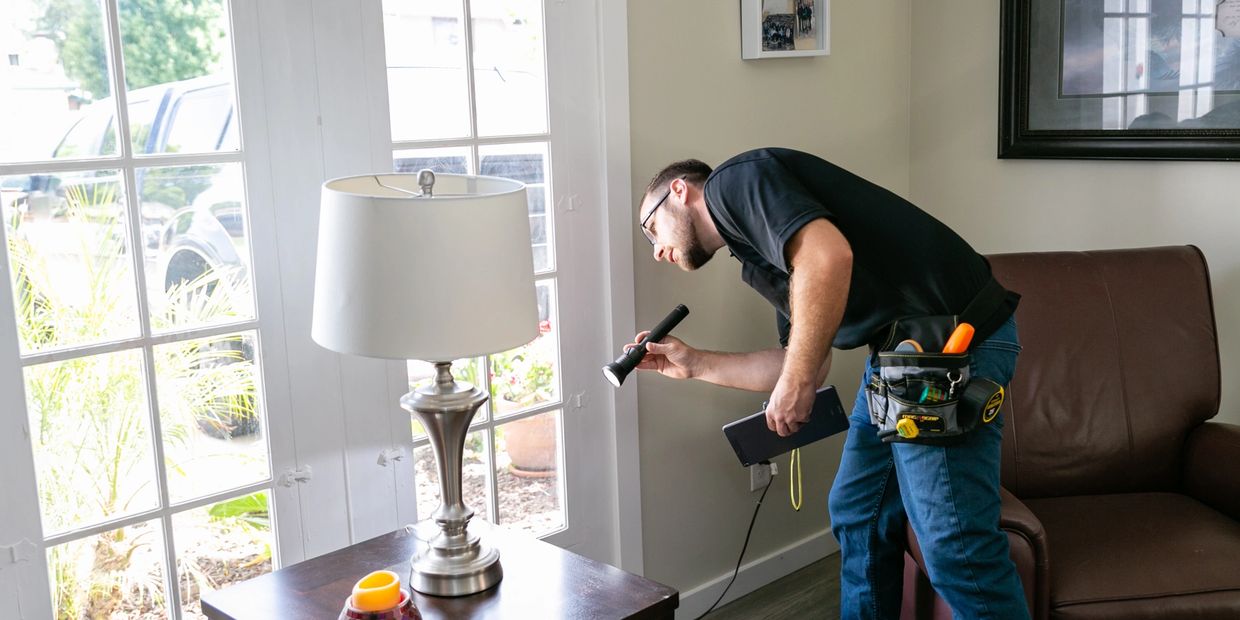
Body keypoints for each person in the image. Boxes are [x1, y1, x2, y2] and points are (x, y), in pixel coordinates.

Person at [629, 147, 1028, 619]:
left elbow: (829, 256)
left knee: (955, 547)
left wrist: (796, 382)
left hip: (953, 347)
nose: (656, 250)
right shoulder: (757, 258)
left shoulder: (734, 182)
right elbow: (803, 363)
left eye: (651, 227)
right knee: (858, 511)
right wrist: (694, 363)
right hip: (901, 358)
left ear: (681, 191)